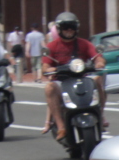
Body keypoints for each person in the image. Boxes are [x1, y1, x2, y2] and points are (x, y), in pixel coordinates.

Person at [42, 11, 105, 141]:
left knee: (99, 79)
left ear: (77, 28)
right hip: (61, 80)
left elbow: (98, 57)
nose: (69, 30)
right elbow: (45, 66)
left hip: (82, 78)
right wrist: (50, 69)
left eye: (72, 27)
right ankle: (61, 127)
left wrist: (99, 63)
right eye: (65, 27)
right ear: (59, 29)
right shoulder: (52, 46)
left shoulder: (84, 43)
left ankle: (101, 115)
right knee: (49, 88)